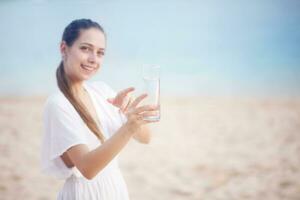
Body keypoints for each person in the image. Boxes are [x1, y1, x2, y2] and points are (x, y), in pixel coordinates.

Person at [41, 19, 159, 200]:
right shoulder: (58, 104)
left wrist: (131, 117)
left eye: (100, 52)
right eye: (85, 48)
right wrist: (128, 128)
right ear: (64, 48)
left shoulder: (101, 91)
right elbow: (88, 168)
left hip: (115, 189)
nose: (93, 59)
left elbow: (146, 138)